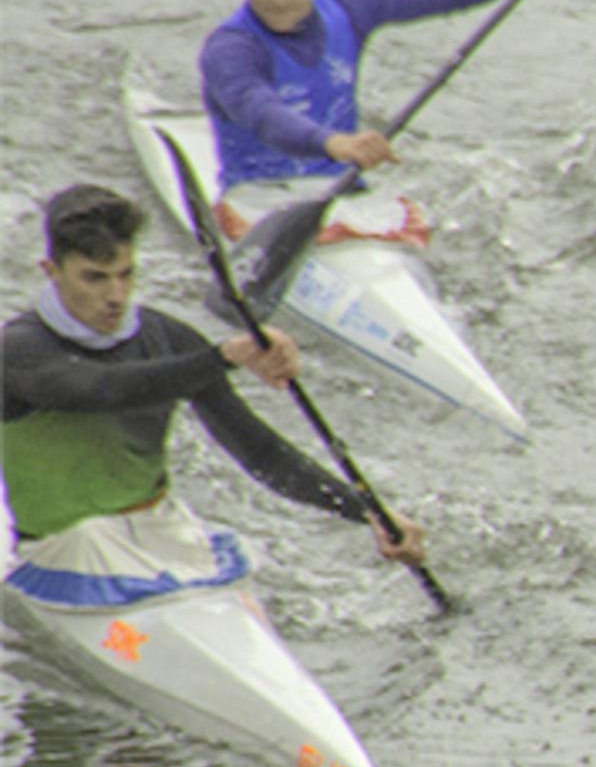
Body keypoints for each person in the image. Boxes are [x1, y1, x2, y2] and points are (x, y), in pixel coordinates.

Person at [1, 183, 428, 570]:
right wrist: (224, 355)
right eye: (94, 278)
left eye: (125, 274)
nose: (114, 296)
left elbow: (260, 453)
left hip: (159, 529)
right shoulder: (18, 350)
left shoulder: (169, 338)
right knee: (92, 539)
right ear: (51, 271)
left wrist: (368, 512)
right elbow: (97, 389)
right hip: (60, 550)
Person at [198, 0, 563, 189]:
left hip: (338, 192)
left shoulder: (352, 7)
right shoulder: (230, 50)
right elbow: (262, 114)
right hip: (256, 205)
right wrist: (335, 143)